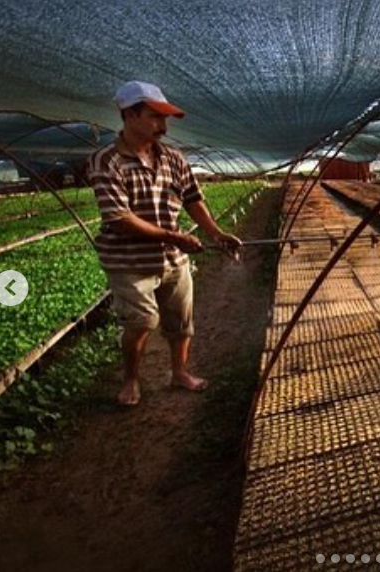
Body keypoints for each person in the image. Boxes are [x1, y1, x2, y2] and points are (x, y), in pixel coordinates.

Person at [87, 80, 241, 406]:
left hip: (173, 258)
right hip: (129, 261)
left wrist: (215, 233)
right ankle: (130, 380)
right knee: (142, 320)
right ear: (130, 114)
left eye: (165, 118)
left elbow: (193, 199)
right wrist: (175, 236)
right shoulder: (106, 161)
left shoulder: (173, 158)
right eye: (155, 117)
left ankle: (180, 373)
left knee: (180, 321)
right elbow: (120, 218)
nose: (163, 126)